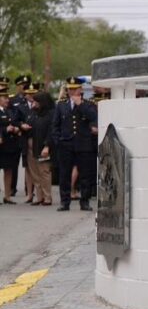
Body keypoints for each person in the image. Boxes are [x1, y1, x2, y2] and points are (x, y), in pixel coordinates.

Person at [43, 77, 98, 212]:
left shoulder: (88, 104)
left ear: (80, 89)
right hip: (66, 144)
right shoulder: (61, 105)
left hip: (83, 144)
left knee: (85, 174)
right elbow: (55, 125)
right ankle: (64, 202)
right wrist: (58, 141)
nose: (72, 91)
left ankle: (84, 201)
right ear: (67, 90)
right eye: (70, 89)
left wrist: (81, 105)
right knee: (64, 174)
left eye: (75, 89)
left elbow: (93, 117)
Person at [26, 86, 55, 206]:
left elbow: (51, 131)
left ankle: (47, 197)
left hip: (44, 146)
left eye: (36, 102)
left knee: (44, 171)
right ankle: (39, 197)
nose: (34, 103)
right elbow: (29, 123)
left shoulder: (50, 114)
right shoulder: (34, 113)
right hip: (33, 145)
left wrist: (47, 146)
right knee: (35, 172)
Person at [0, 89, 25, 204]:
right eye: (5, 98)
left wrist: (16, 129)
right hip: (1, 145)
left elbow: (14, 123)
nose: (7, 100)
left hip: (9, 146)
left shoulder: (9, 111)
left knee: (9, 170)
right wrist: (5, 129)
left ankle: (7, 195)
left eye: (7, 98)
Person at [11, 75, 32, 201]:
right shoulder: (12, 100)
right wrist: (16, 127)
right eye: (22, 85)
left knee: (29, 163)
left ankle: (28, 189)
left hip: (27, 134)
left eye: (26, 85)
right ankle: (12, 188)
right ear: (18, 86)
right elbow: (9, 116)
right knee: (14, 163)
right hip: (14, 136)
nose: (24, 87)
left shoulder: (33, 99)